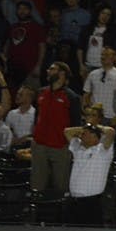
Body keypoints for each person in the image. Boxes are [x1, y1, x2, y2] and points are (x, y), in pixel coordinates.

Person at [32, 62, 81, 194]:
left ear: (62, 73)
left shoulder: (71, 97)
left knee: (61, 186)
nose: (48, 71)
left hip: (60, 147)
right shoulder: (41, 92)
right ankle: (36, 213)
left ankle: (61, 214)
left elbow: (76, 124)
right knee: (37, 186)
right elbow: (37, 117)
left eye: (52, 69)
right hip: (39, 145)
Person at [64, 122, 115, 226]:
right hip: (73, 201)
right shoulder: (78, 148)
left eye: (86, 133)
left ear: (95, 137)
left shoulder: (102, 151)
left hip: (92, 203)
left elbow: (111, 132)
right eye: (82, 133)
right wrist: (84, 128)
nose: (82, 135)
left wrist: (95, 126)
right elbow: (67, 131)